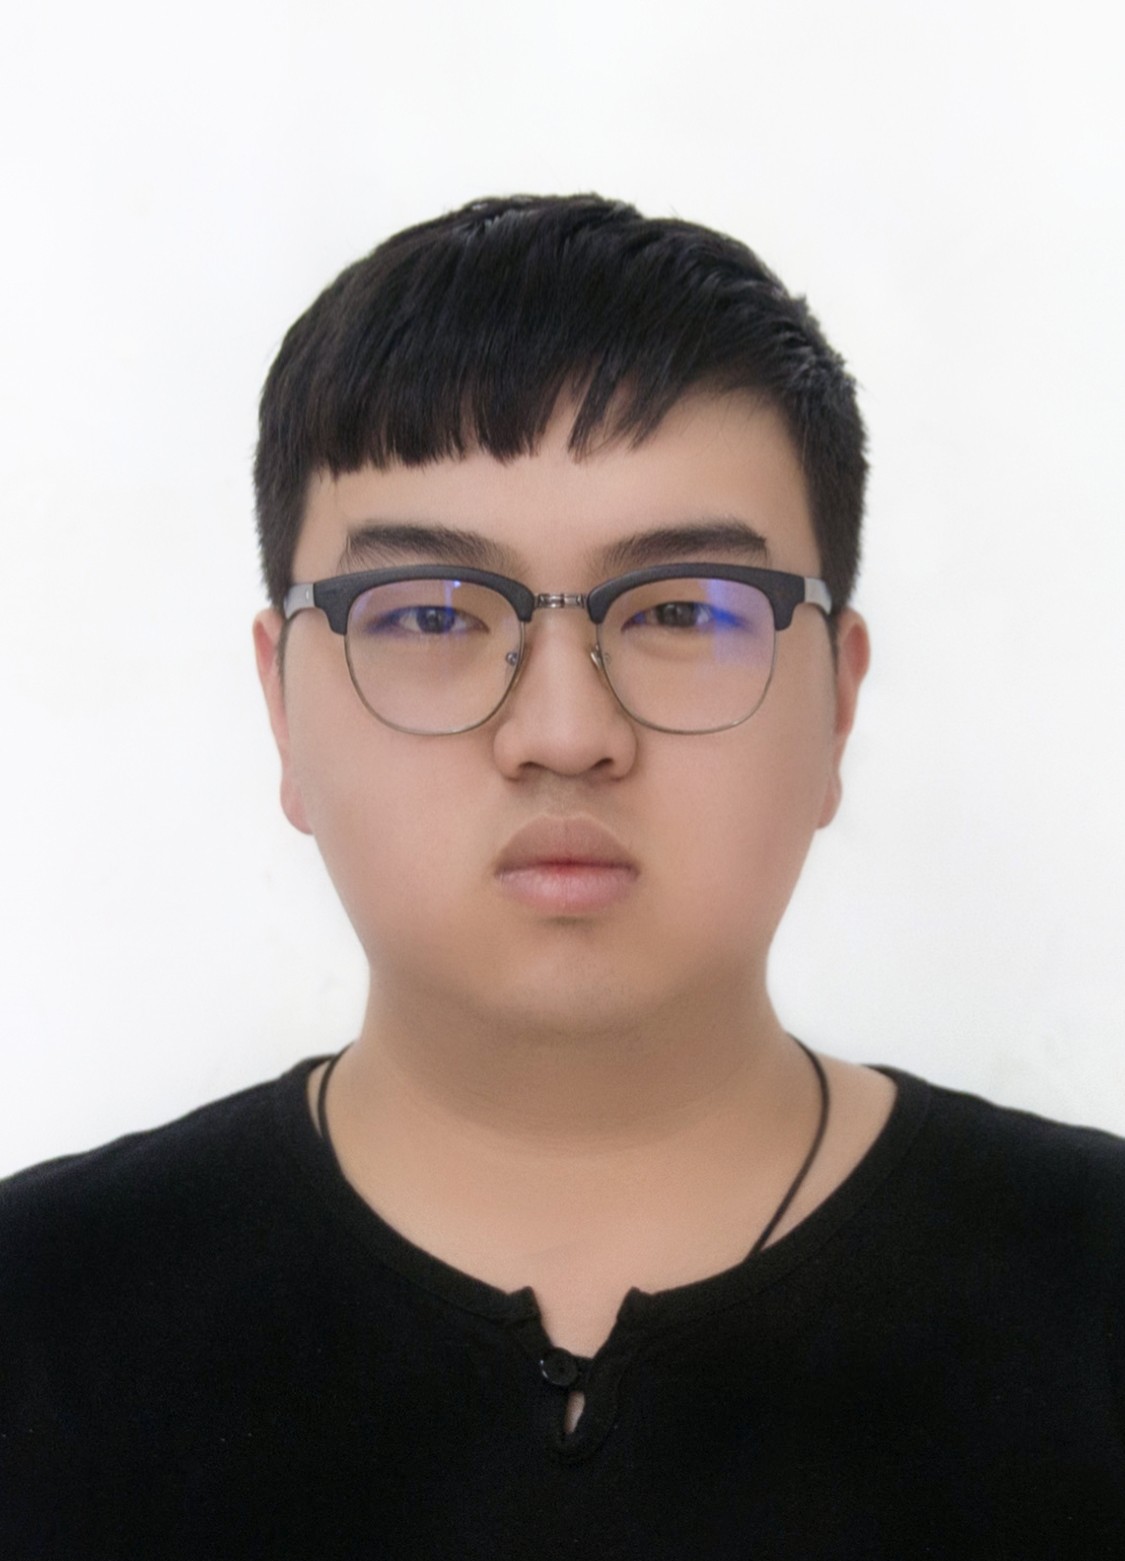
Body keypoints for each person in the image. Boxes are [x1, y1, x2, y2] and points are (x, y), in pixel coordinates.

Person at [2, 194, 1123, 1560]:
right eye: (428, 613)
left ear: (837, 704)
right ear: (282, 707)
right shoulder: (39, 1317)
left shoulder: (1090, 1290)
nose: (562, 732)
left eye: (682, 609)